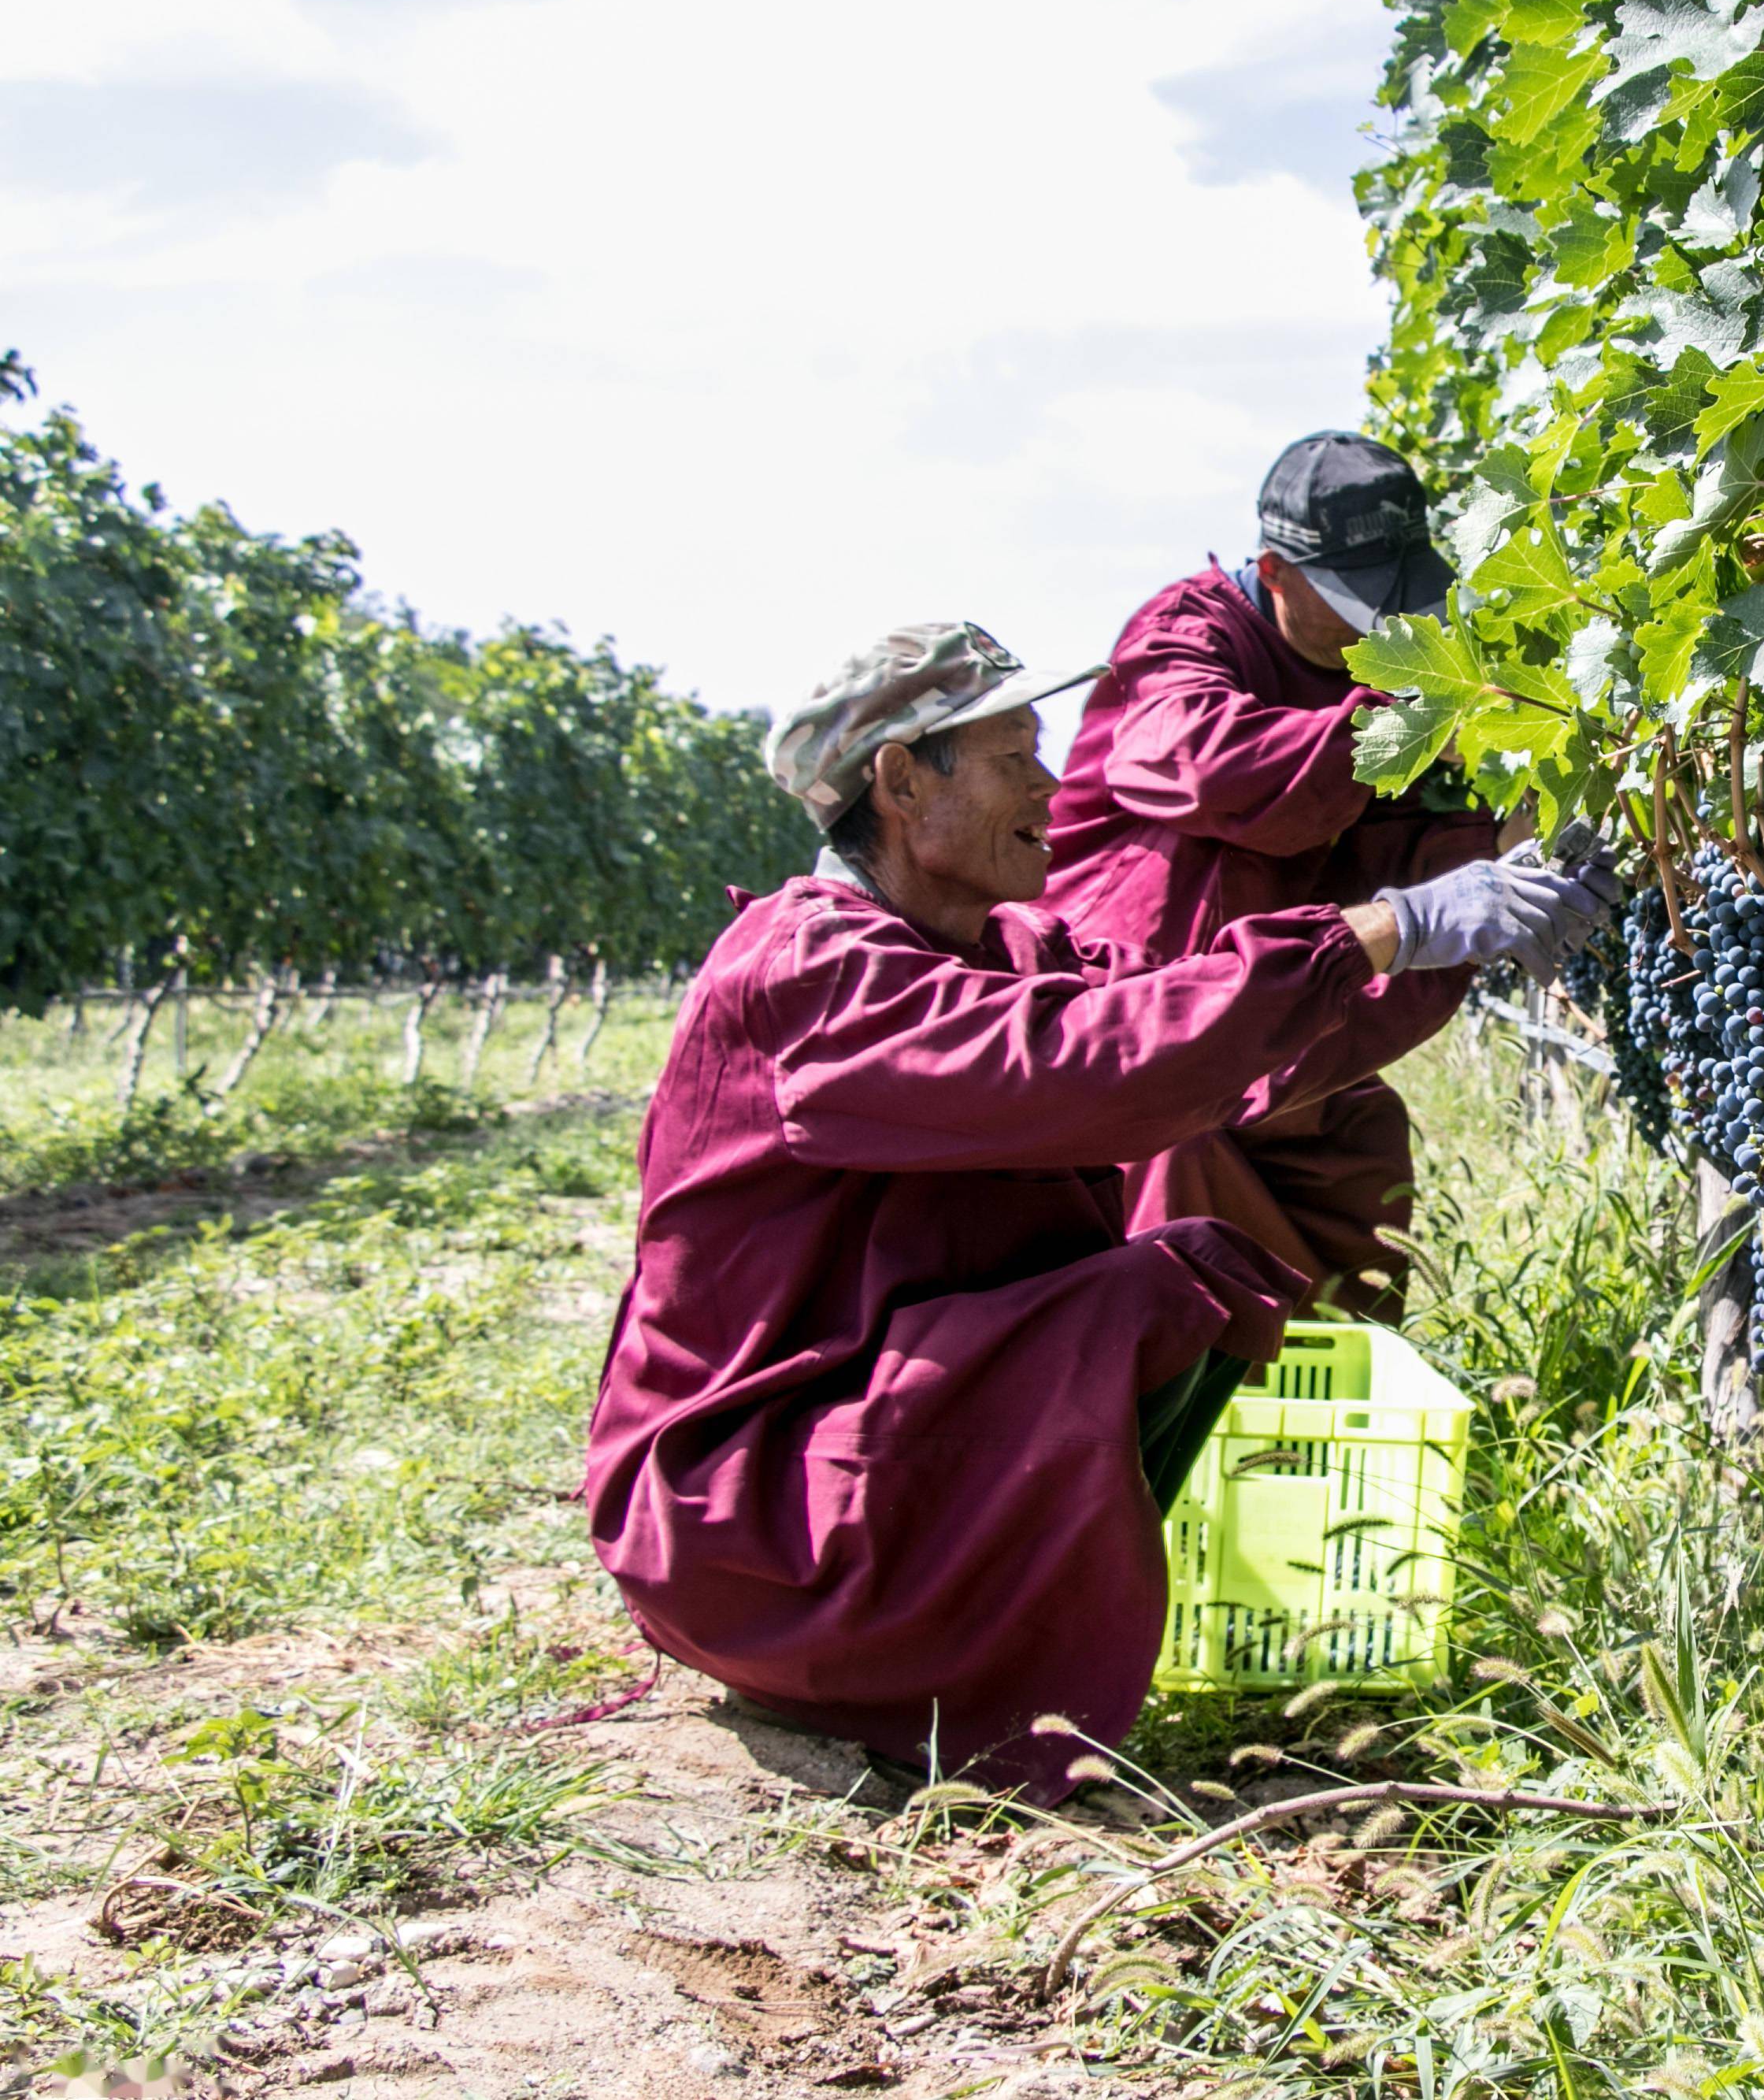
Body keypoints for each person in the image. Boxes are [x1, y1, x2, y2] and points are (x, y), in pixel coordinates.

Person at [584, 621, 1613, 1792]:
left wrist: (1442, 937)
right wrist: (1387, 925)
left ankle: (996, 1633)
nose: (1053, 782)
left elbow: (1201, 1038)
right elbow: (1088, 1059)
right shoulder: (811, 969)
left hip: (850, 1449)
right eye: (1014, 753)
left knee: (1190, 1274)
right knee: (1140, 1299)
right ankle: (917, 1674)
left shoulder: (1009, 945)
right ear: (901, 780)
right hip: (742, 1518)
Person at [1042, 430, 1512, 1323]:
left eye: (1396, 601)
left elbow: (1398, 843)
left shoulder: (1392, 666)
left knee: (1361, 1155)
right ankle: (1179, 1424)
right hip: (1133, 1005)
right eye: (1354, 603)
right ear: (1276, 572)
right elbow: (1196, 767)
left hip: (1278, 1005)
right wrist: (1401, 724)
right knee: (1178, 1205)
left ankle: (1328, 1418)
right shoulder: (1188, 632)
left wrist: (1500, 854)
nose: (1379, 628)